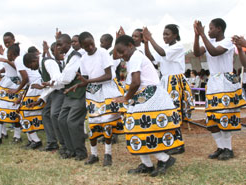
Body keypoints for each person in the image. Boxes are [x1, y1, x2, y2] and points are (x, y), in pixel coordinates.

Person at [114, 35, 181, 177]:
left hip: (150, 97)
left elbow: (136, 82)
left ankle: (165, 159)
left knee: (140, 129)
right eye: (118, 53)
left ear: (131, 46)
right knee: (134, 129)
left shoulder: (136, 57)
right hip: (141, 97)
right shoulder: (132, 58)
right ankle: (147, 164)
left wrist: (126, 98)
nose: (120, 55)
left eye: (122, 51)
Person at [67, 31, 125, 166]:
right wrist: (78, 85)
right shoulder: (83, 59)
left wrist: (87, 81)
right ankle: (94, 154)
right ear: (82, 46)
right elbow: (86, 79)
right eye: (86, 46)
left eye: (92, 44)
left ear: (94, 41)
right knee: (93, 123)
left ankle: (108, 154)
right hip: (93, 92)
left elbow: (108, 75)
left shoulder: (103, 53)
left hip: (106, 91)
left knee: (107, 123)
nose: (90, 48)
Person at [193, 18, 246, 160]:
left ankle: (228, 149)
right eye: (207, 29)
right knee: (211, 118)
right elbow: (197, 53)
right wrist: (197, 35)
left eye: (210, 28)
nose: (208, 31)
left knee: (225, 116)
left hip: (225, 82)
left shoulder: (227, 42)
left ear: (219, 29)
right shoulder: (210, 42)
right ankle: (220, 147)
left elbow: (215, 52)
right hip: (213, 82)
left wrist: (203, 35)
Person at [143, 24, 194, 154]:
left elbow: (162, 53)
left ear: (175, 35)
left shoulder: (178, 46)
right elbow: (151, 58)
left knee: (174, 111)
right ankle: (173, 142)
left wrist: (151, 38)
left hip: (175, 81)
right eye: (163, 34)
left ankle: (179, 144)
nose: (164, 36)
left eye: (167, 34)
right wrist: (146, 43)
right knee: (167, 111)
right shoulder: (164, 47)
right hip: (165, 81)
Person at [51, 33, 88, 160]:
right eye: (57, 44)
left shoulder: (75, 57)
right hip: (69, 94)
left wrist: (55, 82)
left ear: (68, 44)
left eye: (60, 44)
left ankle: (80, 152)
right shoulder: (67, 57)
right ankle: (70, 149)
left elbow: (67, 78)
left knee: (72, 122)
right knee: (61, 120)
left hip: (78, 94)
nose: (58, 47)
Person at [25, 42, 66, 152]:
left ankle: (64, 144)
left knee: (54, 115)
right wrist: (39, 100)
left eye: (30, 66)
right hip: (53, 92)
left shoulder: (48, 62)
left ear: (34, 61)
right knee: (45, 114)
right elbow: (48, 86)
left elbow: (57, 79)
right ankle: (52, 143)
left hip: (60, 91)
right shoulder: (41, 67)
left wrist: (46, 84)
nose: (32, 69)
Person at [15, 46, 44, 149]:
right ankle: (31, 139)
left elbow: (26, 78)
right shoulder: (20, 58)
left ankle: (36, 140)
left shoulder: (18, 60)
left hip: (35, 87)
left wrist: (17, 90)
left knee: (24, 112)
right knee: (23, 113)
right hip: (33, 87)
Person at [0, 44, 23, 145]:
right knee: (0, 109)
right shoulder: (9, 56)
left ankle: (17, 136)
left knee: (14, 111)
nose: (7, 55)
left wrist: (6, 61)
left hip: (15, 85)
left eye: (9, 54)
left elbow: (18, 68)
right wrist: (0, 70)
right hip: (5, 84)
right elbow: (6, 67)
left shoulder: (19, 59)